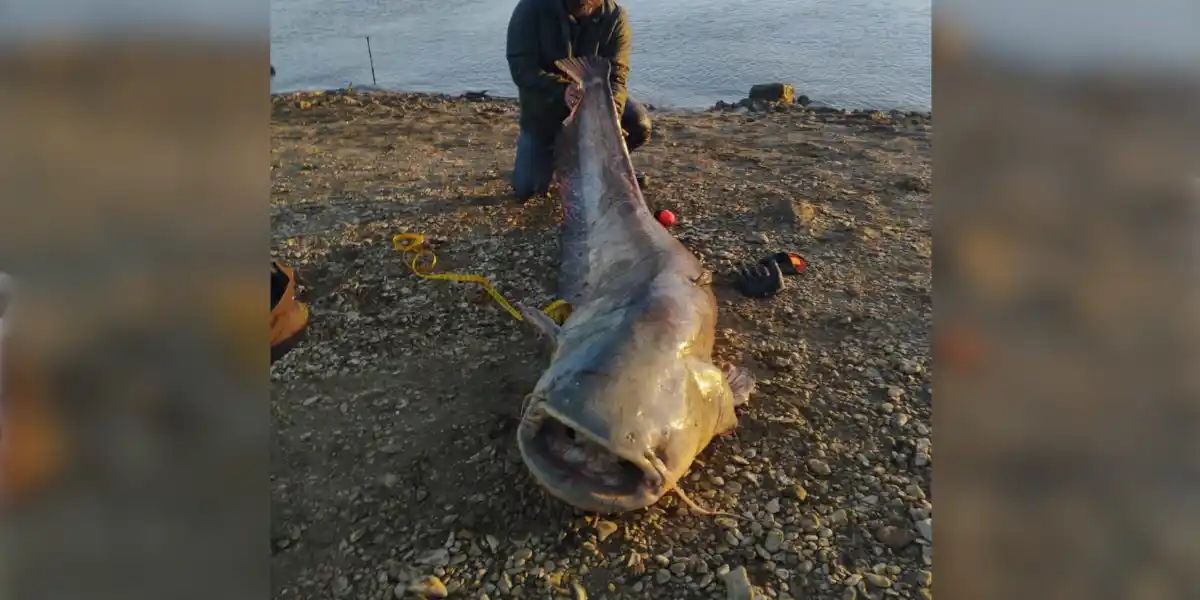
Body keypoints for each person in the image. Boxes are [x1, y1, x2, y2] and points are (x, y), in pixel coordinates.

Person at [506, 0, 653, 200]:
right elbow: (521, 68)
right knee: (528, 189)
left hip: (594, 104)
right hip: (545, 108)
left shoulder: (615, 17)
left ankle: (604, 167)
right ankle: (560, 161)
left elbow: (617, 79)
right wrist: (562, 90)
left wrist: (611, 122)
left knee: (639, 123)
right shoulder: (531, 9)